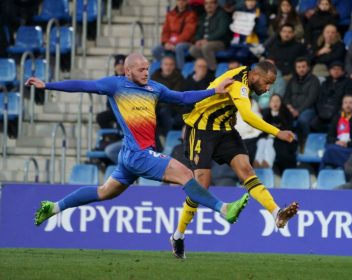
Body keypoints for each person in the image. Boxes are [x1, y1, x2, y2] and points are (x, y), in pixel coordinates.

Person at [27, 53, 249, 229]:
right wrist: (46, 85)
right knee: (185, 175)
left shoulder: (154, 88)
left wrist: (212, 91)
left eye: (147, 69)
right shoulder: (116, 86)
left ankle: (53, 208)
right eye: (141, 69)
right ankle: (223, 209)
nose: (146, 73)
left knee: (104, 192)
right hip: (139, 154)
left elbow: (182, 98)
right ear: (128, 70)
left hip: (130, 155)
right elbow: (83, 85)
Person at [170, 60, 299, 259]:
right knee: (201, 186)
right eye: (266, 83)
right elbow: (247, 116)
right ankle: (178, 236)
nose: (267, 89)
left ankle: (276, 213)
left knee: (247, 171)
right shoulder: (238, 84)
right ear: (255, 76)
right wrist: (277, 132)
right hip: (202, 129)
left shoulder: (247, 77)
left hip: (225, 131)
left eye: (270, 85)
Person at [321, 94, 352, 169]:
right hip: (338, 146)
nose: (348, 105)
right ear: (342, 105)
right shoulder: (337, 117)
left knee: (331, 152)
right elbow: (329, 137)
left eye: (350, 103)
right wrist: (337, 141)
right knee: (330, 150)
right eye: (345, 103)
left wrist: (348, 144)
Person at [311, 61, 352, 133]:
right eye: (333, 69)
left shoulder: (349, 82)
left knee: (335, 124)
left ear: (343, 71)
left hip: (339, 112)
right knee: (313, 124)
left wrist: (338, 111)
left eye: (338, 69)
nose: (336, 71)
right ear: (329, 71)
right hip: (324, 111)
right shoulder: (325, 83)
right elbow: (319, 99)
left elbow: (349, 99)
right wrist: (321, 111)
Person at [152, 0, 198, 69]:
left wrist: (174, 43)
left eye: (183, 1)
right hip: (170, 42)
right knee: (155, 50)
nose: (181, 2)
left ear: (186, 2)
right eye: (179, 0)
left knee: (179, 48)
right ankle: (167, 66)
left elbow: (188, 32)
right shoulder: (170, 14)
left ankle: (180, 71)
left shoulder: (191, 14)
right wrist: (165, 43)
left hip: (186, 42)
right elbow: (165, 31)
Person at [283, 57, 320, 142]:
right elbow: (286, 97)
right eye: (299, 67)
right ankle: (287, 143)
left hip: (308, 109)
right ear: (296, 68)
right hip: (292, 109)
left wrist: (298, 111)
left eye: (303, 67)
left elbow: (312, 99)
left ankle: (306, 142)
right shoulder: (292, 80)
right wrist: (290, 108)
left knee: (302, 119)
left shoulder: (314, 80)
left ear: (308, 67)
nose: (301, 69)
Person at [189, 0, 230, 71]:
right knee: (193, 49)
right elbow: (198, 32)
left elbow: (221, 31)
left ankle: (212, 70)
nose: (209, 5)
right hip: (204, 42)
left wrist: (207, 40)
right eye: (206, 4)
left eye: (211, 3)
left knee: (206, 47)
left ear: (216, 5)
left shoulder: (222, 15)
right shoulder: (203, 17)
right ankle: (203, 69)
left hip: (220, 41)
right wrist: (198, 40)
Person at [261, 94, 297, 173]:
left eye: (277, 101)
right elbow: (262, 131)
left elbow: (288, 130)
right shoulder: (265, 113)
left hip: (283, 140)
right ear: (269, 103)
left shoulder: (287, 114)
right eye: (273, 101)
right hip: (267, 140)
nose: (275, 103)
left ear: (281, 103)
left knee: (283, 152)